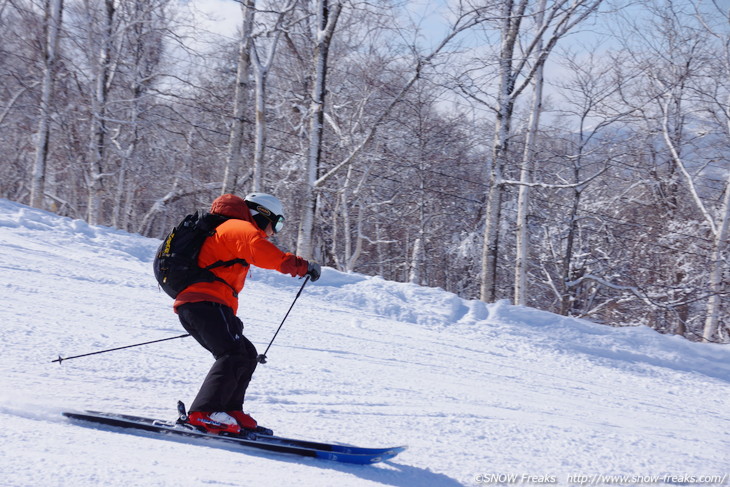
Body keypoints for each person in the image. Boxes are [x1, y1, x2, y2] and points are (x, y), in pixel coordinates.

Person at [174, 192, 321, 435]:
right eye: (277, 223)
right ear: (262, 214)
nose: (274, 231)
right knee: (231, 353)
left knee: (246, 353)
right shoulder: (238, 227)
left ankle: (229, 410)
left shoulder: (232, 228)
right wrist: (301, 266)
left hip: (209, 303)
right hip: (203, 301)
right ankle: (203, 413)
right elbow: (263, 252)